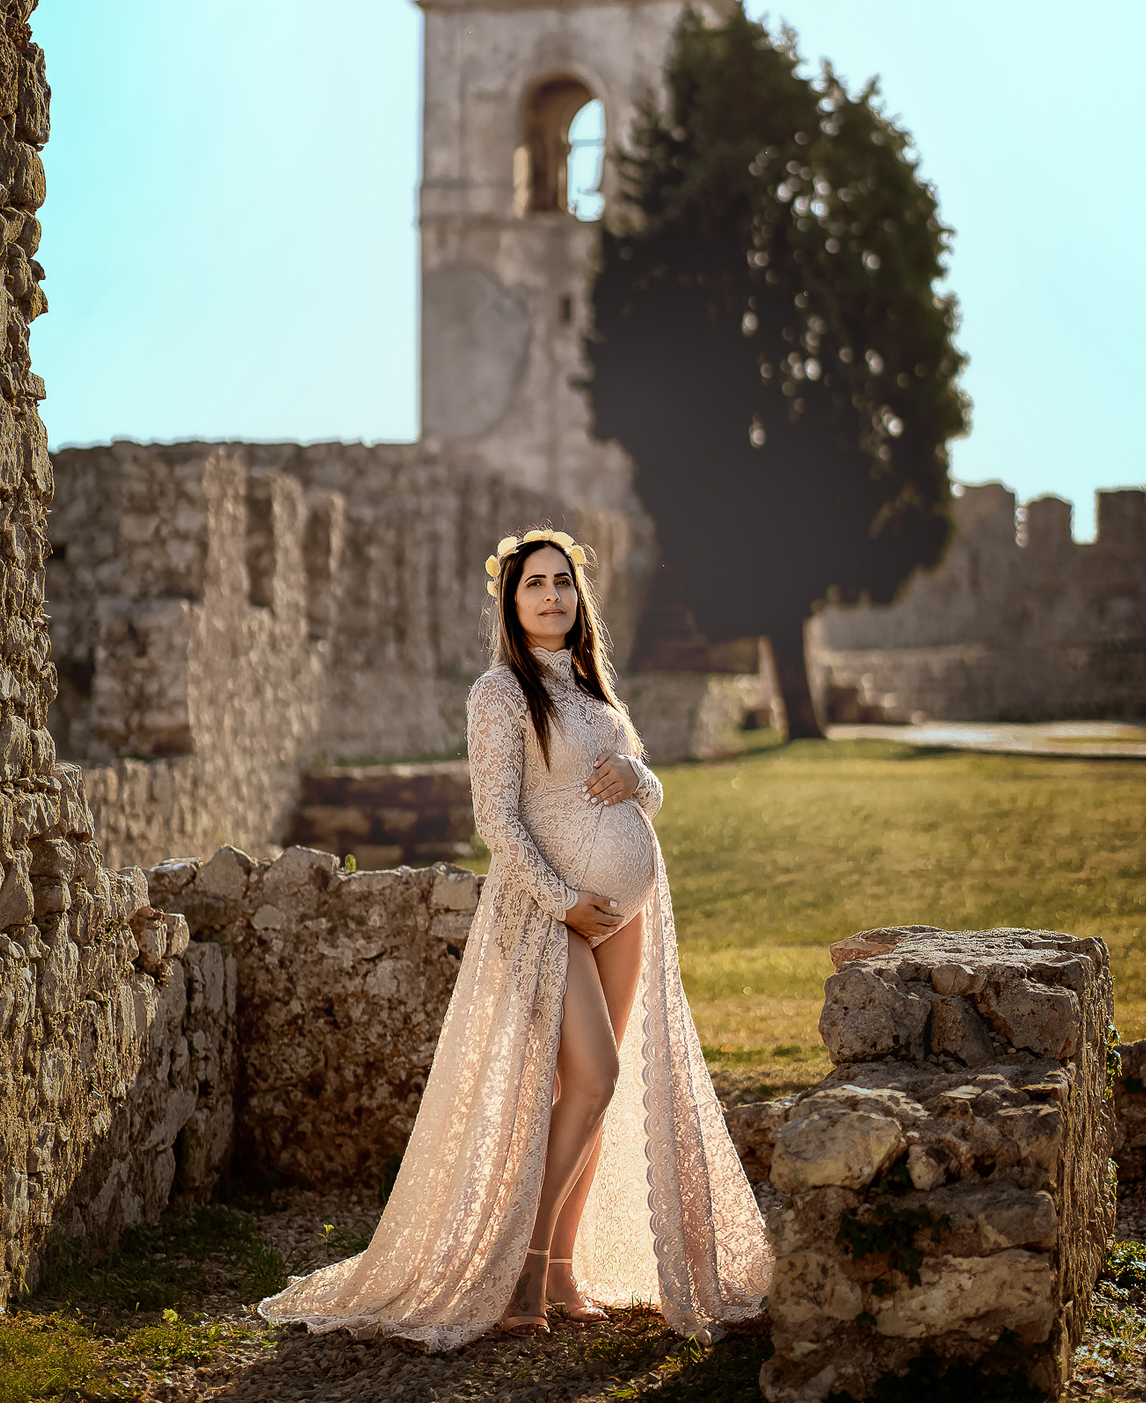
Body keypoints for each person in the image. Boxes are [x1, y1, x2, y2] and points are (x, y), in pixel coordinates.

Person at [258, 528, 772, 1351]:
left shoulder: (594, 691)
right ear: (511, 599)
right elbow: (495, 820)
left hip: (623, 916)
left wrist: (642, 778)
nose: (552, 595)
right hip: (546, 913)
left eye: (563, 582)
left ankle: (563, 1269)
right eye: (535, 583)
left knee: (591, 1097)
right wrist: (566, 903)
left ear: (579, 597)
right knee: (595, 1078)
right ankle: (523, 1271)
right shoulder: (499, 693)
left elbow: (644, 789)